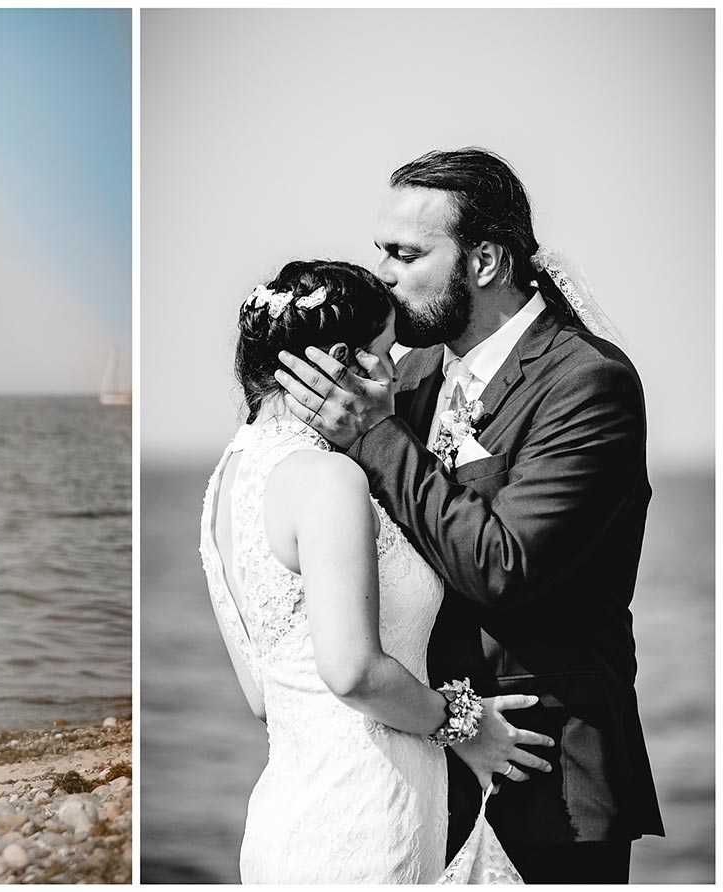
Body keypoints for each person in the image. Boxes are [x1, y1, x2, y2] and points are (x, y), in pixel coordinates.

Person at [277, 149, 662, 883]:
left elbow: (502, 567)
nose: (383, 274)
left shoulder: (588, 382)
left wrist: (376, 436)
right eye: (380, 252)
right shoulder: (411, 374)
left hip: (544, 778)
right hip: (414, 773)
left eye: (406, 253)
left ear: (484, 261)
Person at [200, 260, 549, 883]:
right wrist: (465, 727)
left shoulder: (226, 480)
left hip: (289, 812)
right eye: (384, 353)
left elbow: (263, 695)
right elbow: (354, 671)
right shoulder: (328, 478)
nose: (394, 373)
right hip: (365, 817)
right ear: (341, 360)